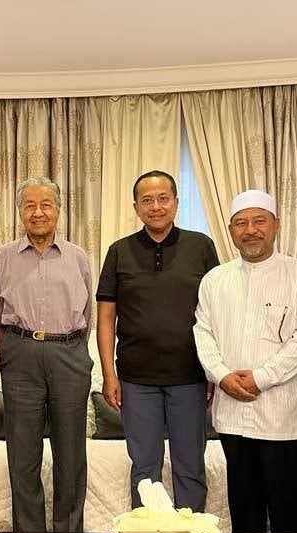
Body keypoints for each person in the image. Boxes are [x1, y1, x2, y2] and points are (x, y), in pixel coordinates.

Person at [194, 189, 297, 533]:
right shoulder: (215, 280)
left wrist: (261, 378)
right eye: (241, 223)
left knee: (290, 513)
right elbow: (202, 332)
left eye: (259, 221)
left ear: (276, 225)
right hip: (232, 415)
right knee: (245, 510)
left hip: (283, 415)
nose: (250, 230)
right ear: (231, 229)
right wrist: (221, 375)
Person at [96, 170, 219, 510]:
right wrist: (110, 374)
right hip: (137, 380)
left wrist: (213, 370)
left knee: (190, 467)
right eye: (147, 200)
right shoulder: (119, 251)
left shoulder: (201, 246)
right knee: (145, 469)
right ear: (136, 207)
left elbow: (215, 313)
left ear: (176, 203)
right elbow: (106, 317)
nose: (156, 206)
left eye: (163, 198)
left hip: (190, 377)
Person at [0, 177, 93, 532]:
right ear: (20, 211)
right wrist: (10, 351)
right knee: (23, 454)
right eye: (30, 205)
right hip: (20, 355)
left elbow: (88, 314)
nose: (38, 213)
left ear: (58, 210)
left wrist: (75, 350)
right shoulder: (3, 257)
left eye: (46, 205)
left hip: (68, 353)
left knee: (71, 454)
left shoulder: (78, 257)